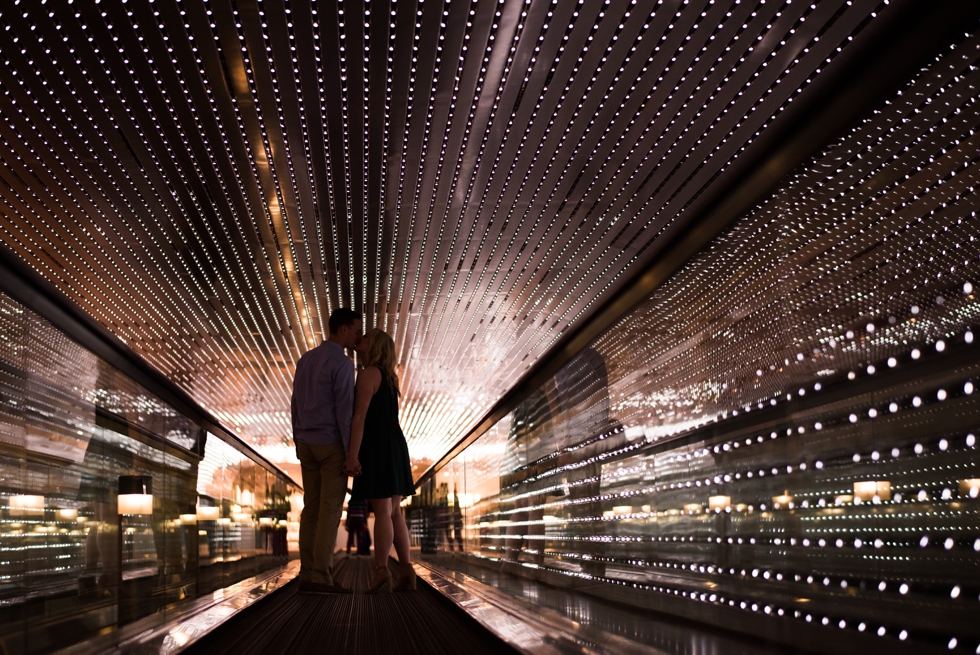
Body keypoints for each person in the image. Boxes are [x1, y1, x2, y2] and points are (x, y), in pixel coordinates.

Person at [292, 308, 362, 594]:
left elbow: (294, 403)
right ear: (343, 329)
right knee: (329, 510)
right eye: (356, 330)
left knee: (311, 509)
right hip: (330, 444)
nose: (358, 336)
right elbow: (345, 412)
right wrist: (350, 455)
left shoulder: (305, 360)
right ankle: (321, 576)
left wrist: (298, 439)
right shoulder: (343, 364)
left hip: (306, 442)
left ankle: (307, 574)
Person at [345, 328, 416, 593]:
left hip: (377, 445)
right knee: (394, 511)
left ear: (373, 346)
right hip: (395, 444)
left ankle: (381, 571)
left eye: (365, 337)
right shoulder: (389, 377)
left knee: (382, 511)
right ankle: (407, 569)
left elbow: (360, 418)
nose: (359, 339)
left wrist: (352, 455)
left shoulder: (368, 374)